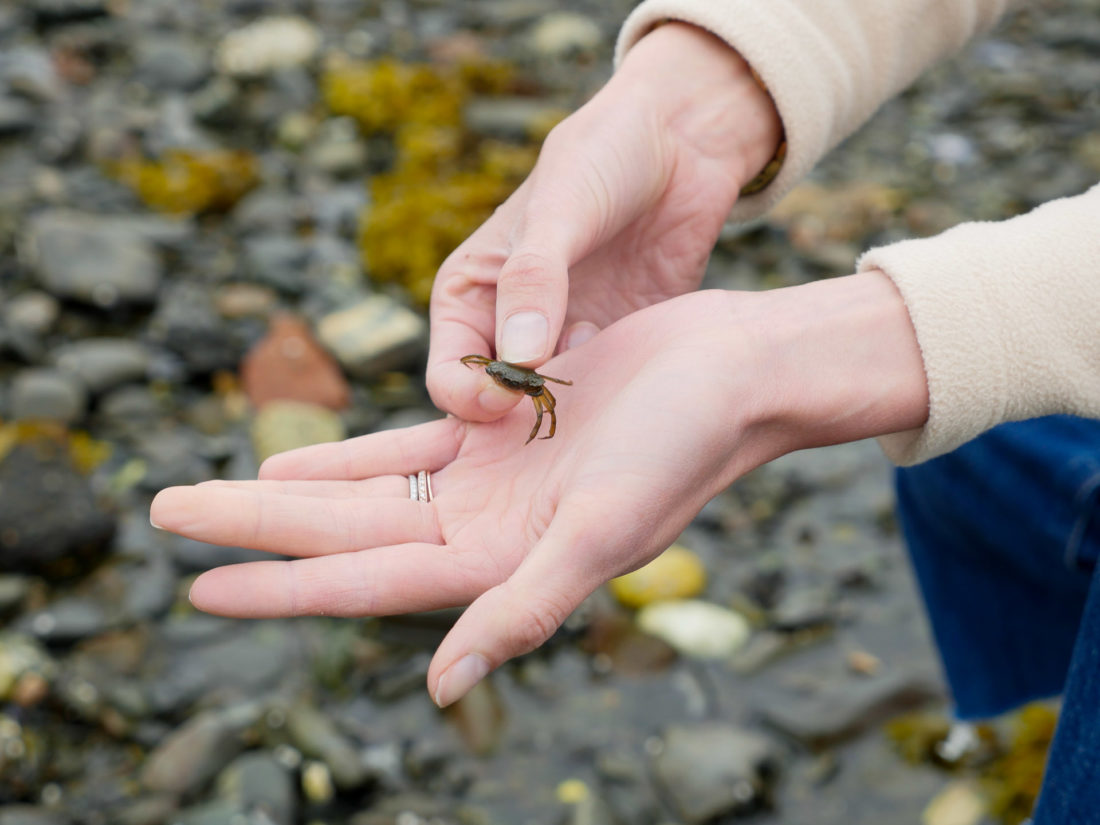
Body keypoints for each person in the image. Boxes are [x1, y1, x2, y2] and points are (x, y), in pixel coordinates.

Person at [151, 1, 1100, 820]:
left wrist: (828, 347)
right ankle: (1028, 708)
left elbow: (554, 396)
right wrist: (698, 96)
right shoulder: (537, 378)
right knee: (970, 457)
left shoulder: (556, 395)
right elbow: (520, 376)